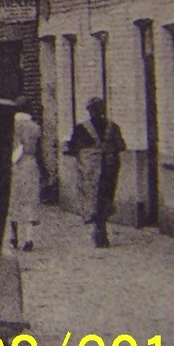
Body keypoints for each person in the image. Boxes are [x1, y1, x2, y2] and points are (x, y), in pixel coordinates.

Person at [64, 97, 126, 248]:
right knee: (106, 197)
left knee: (92, 196)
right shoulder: (113, 127)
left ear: (89, 111)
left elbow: (72, 148)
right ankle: (102, 228)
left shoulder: (81, 129)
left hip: (90, 171)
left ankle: (97, 228)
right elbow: (121, 146)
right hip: (109, 168)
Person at [8, 110, 43, 251]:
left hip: (15, 165)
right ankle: (29, 238)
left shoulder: (13, 127)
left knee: (13, 200)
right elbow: (39, 150)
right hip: (31, 164)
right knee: (30, 200)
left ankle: (13, 237)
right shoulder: (35, 127)